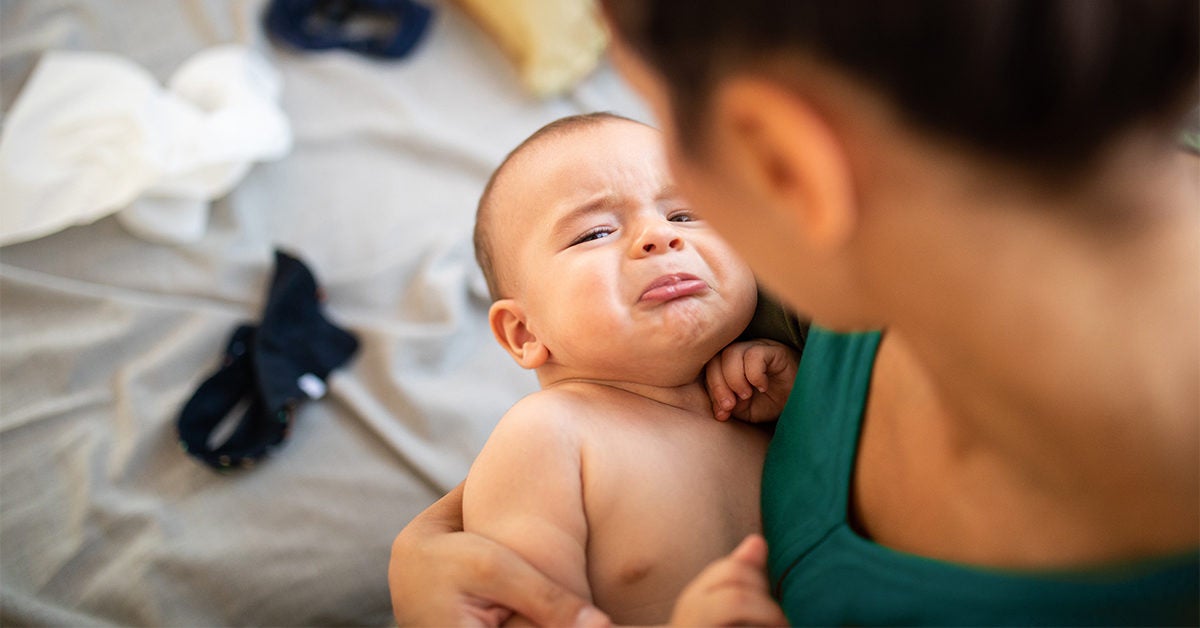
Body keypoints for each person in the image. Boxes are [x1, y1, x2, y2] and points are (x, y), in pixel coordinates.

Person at [390, 1, 1200, 625]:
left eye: (680, 196)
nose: (662, 242)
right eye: (598, 228)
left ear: (786, 163)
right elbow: (599, 431)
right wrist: (433, 550)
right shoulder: (788, 302)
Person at [459, 111, 795, 626]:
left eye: (684, 215)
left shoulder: (760, 402)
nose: (659, 237)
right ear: (524, 333)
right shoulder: (547, 437)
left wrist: (799, 405)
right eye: (594, 232)